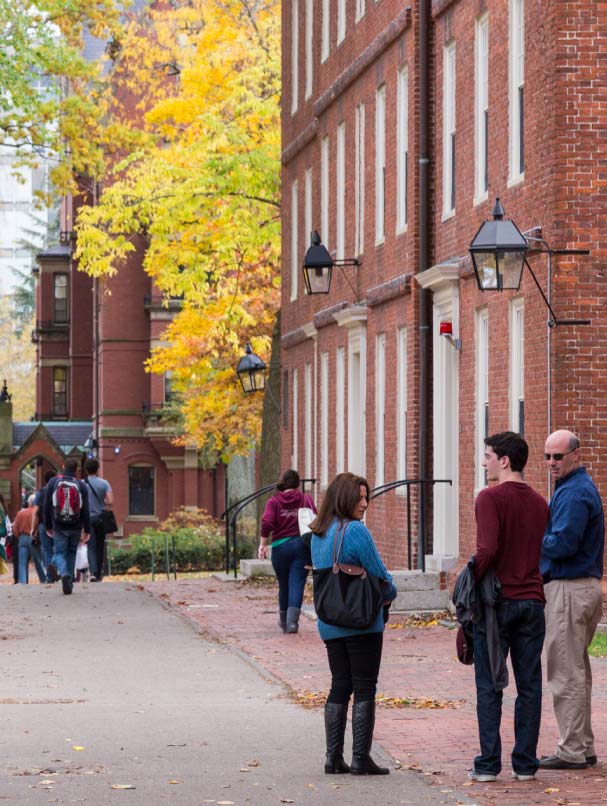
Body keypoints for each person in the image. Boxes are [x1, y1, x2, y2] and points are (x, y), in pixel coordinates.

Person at [468, 432, 550, 783]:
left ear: (504, 460)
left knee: (489, 685)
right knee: (529, 685)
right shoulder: (540, 502)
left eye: (487, 455)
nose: (483, 462)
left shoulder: (489, 498)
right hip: (532, 600)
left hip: (497, 603)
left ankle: (488, 765)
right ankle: (525, 764)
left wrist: (470, 578)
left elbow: (486, 550)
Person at [310, 472, 397, 776]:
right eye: (360, 497)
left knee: (339, 685)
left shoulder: (318, 533)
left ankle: (333, 758)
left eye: (366, 497)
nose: (365, 503)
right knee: (364, 687)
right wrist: (390, 595)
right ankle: (360, 757)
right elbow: (380, 575)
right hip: (361, 623)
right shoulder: (356, 531)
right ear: (344, 498)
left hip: (330, 622)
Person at [539, 429, 605, 770]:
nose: (551, 462)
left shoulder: (575, 493)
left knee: (565, 672)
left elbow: (564, 543)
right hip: (581, 587)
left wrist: (531, 538)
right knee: (575, 670)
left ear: (576, 455)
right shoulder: (572, 488)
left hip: (570, 589)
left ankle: (572, 751)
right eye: (548, 456)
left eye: (558, 456)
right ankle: (583, 746)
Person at [259, 469, 317, 634]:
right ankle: (293, 623)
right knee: (297, 583)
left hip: (280, 547)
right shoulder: (306, 499)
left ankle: (284, 620)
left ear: (283, 482)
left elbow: (267, 522)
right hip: (302, 546)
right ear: (298, 483)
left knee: (283, 584)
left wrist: (263, 543)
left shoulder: (274, 502)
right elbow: (316, 518)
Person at [43, 458, 90, 595]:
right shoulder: (81, 485)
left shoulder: (53, 482)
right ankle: (68, 581)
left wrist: (48, 525)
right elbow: (85, 509)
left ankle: (64, 573)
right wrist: (86, 529)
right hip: (75, 525)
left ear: (63, 466)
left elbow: (46, 506)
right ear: (77, 469)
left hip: (58, 524)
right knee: (71, 552)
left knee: (59, 552)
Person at [83, 458, 114, 581]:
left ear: (86, 469)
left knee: (90, 545)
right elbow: (110, 501)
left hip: (88, 518)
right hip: (100, 518)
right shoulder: (104, 483)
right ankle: (99, 572)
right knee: (100, 545)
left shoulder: (82, 483)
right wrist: (102, 501)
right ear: (97, 469)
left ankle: (93, 573)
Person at [13, 494, 46, 584]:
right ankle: (43, 579)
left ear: (28, 502)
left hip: (22, 537)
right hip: (34, 538)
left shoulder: (20, 513)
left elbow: (15, 528)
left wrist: (19, 537)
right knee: (38, 561)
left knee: (22, 562)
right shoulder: (36, 514)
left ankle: (22, 581)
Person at [32, 470, 57, 583]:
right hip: (57, 524)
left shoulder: (41, 492)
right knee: (57, 549)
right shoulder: (58, 491)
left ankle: (50, 576)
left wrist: (33, 528)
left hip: (43, 524)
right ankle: (57, 570)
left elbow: (35, 511)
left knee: (46, 550)